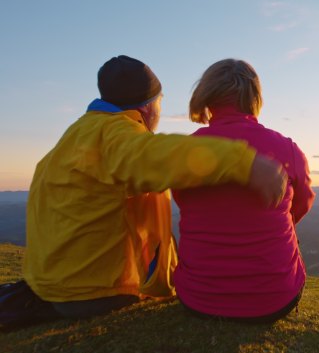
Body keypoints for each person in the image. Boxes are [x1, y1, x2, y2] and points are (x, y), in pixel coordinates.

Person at [23, 55, 287, 319]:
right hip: (92, 292)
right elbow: (158, 155)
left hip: (51, 282)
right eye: (160, 102)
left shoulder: (79, 133)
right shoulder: (115, 135)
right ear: (148, 107)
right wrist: (244, 161)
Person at [173, 59, 315, 323]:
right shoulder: (287, 149)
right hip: (275, 300)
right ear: (254, 97)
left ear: (207, 95)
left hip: (197, 299)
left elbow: (183, 203)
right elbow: (303, 204)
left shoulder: (185, 151)